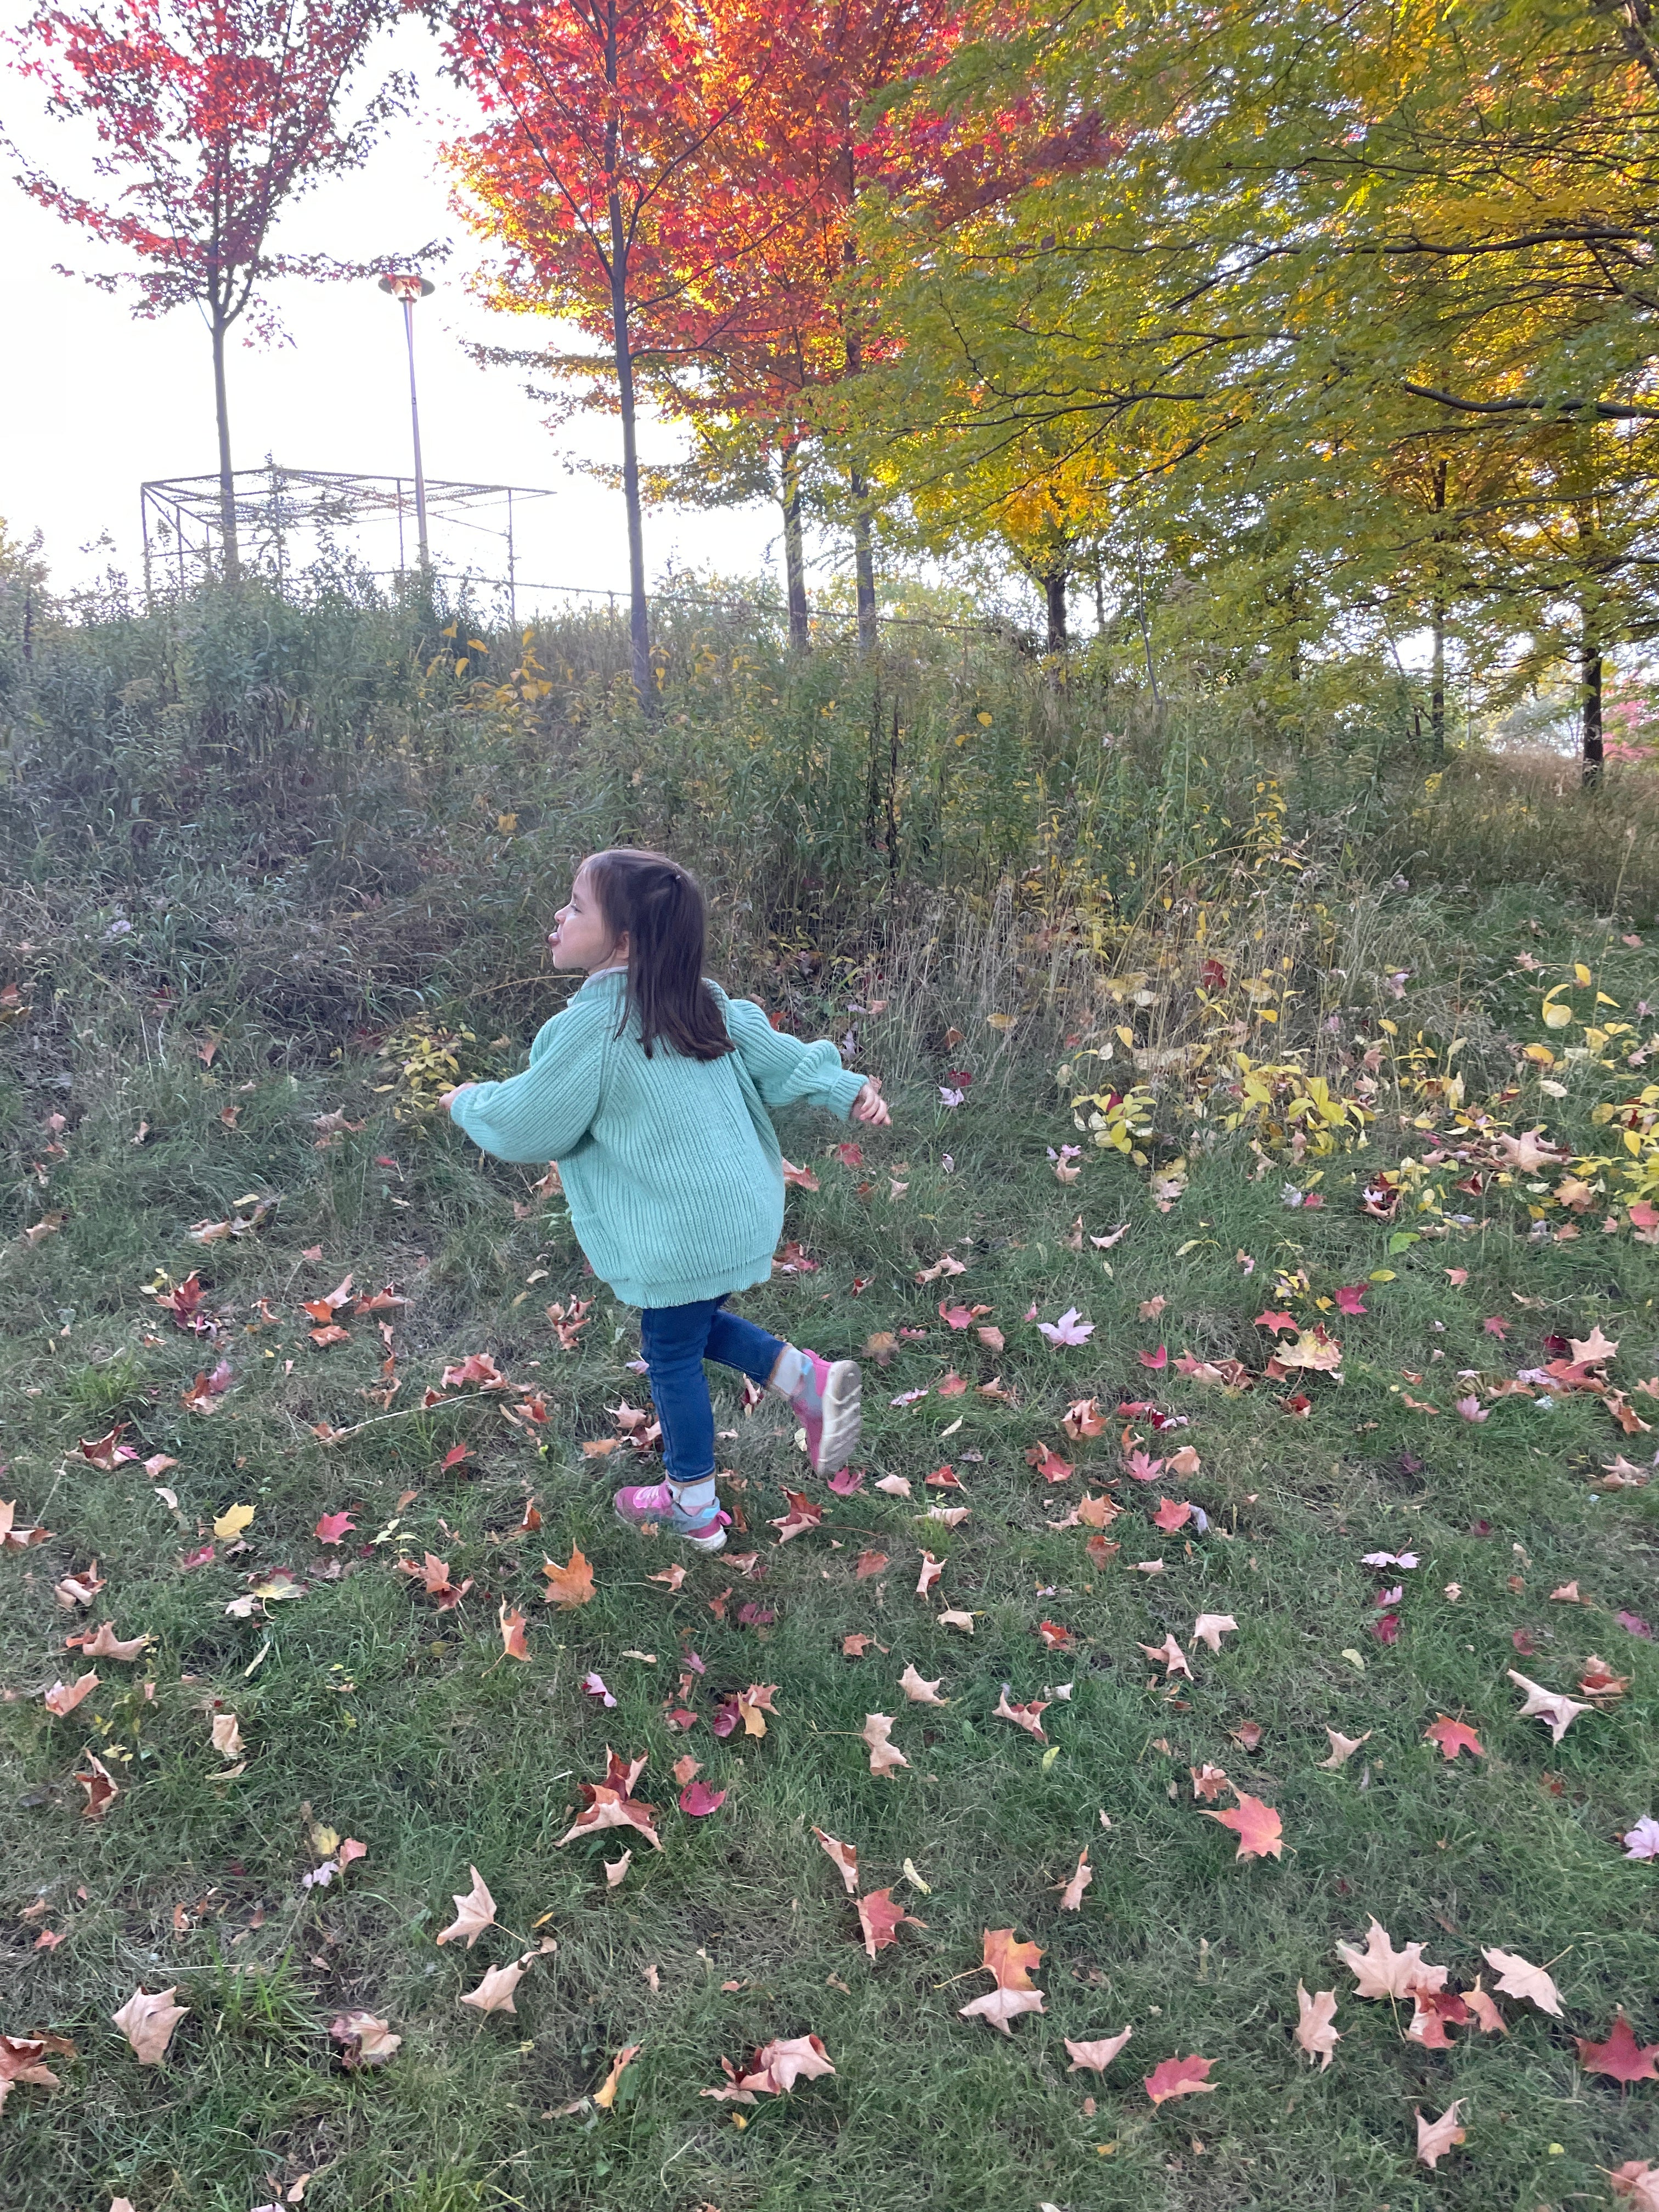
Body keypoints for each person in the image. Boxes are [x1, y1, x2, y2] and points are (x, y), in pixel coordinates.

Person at [440, 847, 891, 1555]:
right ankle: (807, 1382)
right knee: (690, 1322)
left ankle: (692, 1502)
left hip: (676, 1223)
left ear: (623, 939)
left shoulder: (592, 1030)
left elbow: (530, 1122)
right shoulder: (702, 1000)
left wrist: (467, 1101)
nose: (559, 917)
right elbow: (783, 1057)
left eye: (577, 908)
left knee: (670, 1351)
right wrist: (846, 1087)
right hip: (739, 1206)